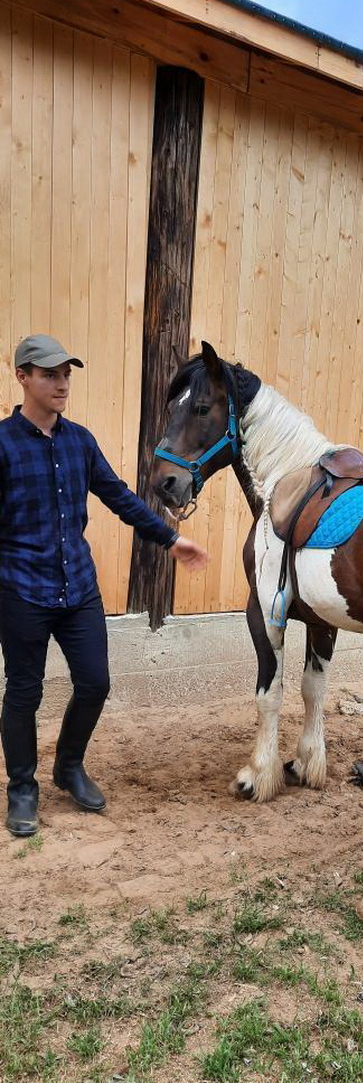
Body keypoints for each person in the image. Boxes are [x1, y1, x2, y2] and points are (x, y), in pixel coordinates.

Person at [0, 334, 207, 838]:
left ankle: (68, 767)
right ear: (23, 376)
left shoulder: (80, 441)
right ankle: (22, 788)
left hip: (79, 590)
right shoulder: (3, 444)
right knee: (23, 692)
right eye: (49, 374)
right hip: (21, 589)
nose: (61, 383)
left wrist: (169, 538)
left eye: (66, 374)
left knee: (95, 682)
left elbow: (118, 496)